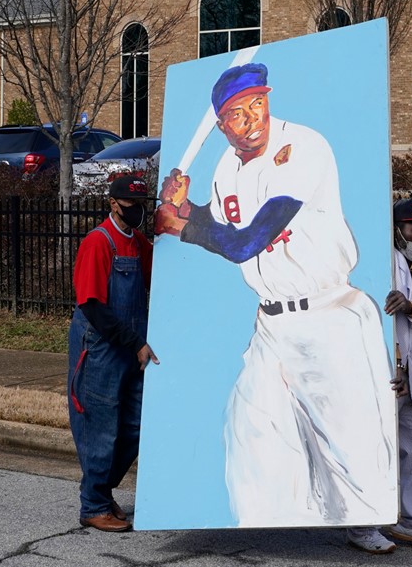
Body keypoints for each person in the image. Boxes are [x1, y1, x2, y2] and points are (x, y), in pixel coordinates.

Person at [155, 62, 396, 527]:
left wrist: (181, 227)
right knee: (252, 436)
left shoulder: (301, 146)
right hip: (271, 325)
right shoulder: (228, 165)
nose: (254, 120)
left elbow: (252, 239)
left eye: (259, 105)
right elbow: (228, 227)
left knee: (353, 452)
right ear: (221, 125)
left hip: (329, 315)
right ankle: (263, 533)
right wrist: (187, 208)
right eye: (239, 115)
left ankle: (366, 530)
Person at [348, 198, 412, 553]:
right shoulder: (374, 264)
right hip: (377, 375)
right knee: (374, 449)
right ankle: (363, 526)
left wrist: (411, 307)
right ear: (395, 230)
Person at [68, 174, 159, 533]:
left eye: (141, 207)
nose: (136, 213)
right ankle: (92, 504)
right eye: (129, 207)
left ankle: (102, 491)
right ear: (112, 205)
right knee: (101, 429)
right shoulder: (98, 242)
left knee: (136, 425)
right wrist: (135, 342)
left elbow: (164, 278)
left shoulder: (138, 243)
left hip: (130, 347)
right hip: (102, 348)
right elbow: (92, 305)